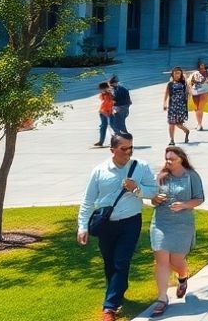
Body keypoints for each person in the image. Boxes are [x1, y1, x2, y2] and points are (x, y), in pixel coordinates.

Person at [77, 132, 158, 321]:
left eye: (131, 147)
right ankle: (117, 293)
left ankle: (109, 308)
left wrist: (136, 189)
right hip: (106, 224)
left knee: (121, 261)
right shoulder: (99, 171)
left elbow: (154, 191)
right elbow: (88, 200)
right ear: (112, 150)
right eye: (123, 149)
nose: (128, 152)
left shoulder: (141, 167)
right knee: (109, 264)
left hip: (131, 222)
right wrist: (82, 226)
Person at [149, 146, 205, 317]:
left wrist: (184, 205)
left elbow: (200, 198)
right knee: (161, 259)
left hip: (183, 225)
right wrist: (155, 199)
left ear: (181, 159)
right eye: (166, 158)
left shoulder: (191, 176)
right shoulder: (161, 176)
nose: (168, 162)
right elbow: (152, 199)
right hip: (161, 222)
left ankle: (182, 277)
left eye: (171, 159)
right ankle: (162, 298)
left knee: (176, 260)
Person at [163, 67, 192, 146]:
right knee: (171, 123)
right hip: (172, 106)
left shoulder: (184, 83)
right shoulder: (170, 84)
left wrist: (186, 80)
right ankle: (172, 140)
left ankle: (186, 131)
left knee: (179, 124)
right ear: (173, 74)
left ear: (181, 74)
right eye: (175, 73)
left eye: (179, 73)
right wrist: (164, 103)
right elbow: (166, 94)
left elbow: (189, 92)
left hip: (181, 107)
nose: (177, 75)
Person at [189, 59, 208, 131]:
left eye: (203, 64)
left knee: (200, 108)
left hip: (204, 92)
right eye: (201, 64)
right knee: (196, 109)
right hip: (195, 92)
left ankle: (200, 124)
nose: (202, 66)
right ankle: (199, 124)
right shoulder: (194, 73)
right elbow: (190, 83)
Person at [93, 81, 115, 148]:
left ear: (106, 88)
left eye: (102, 89)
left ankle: (114, 141)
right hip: (102, 112)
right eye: (100, 89)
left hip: (109, 112)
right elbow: (102, 99)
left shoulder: (111, 94)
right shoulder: (103, 94)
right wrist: (104, 93)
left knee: (112, 127)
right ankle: (101, 142)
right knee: (103, 127)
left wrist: (110, 92)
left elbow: (112, 102)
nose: (101, 90)